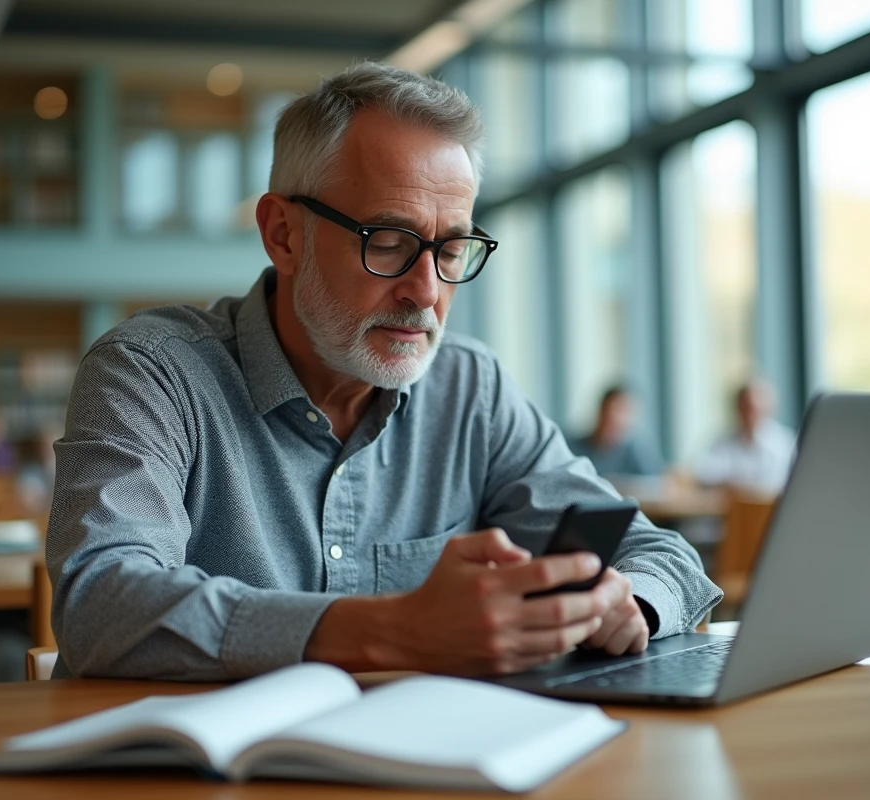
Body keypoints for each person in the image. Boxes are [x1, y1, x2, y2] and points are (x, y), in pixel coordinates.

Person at [46, 63, 721, 681]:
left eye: (451, 248)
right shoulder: (153, 373)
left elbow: (660, 554)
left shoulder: (468, 388)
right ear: (283, 233)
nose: (426, 291)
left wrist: (625, 602)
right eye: (389, 243)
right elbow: (99, 603)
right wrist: (397, 631)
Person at [693, 379, 796, 495]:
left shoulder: (784, 444)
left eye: (755, 409)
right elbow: (702, 473)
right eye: (745, 408)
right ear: (737, 409)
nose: (750, 415)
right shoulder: (723, 442)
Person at [569, 385, 664, 478]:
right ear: (601, 412)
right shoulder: (573, 449)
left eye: (626, 413)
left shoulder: (638, 453)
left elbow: (654, 484)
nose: (619, 419)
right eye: (615, 410)